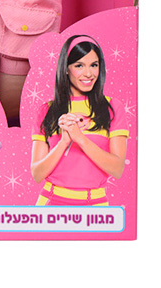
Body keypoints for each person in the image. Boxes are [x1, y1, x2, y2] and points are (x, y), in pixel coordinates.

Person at [30, 35, 128, 205]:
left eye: (94, 65)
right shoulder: (47, 110)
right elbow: (37, 174)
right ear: (66, 68)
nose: (88, 73)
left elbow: (117, 169)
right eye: (79, 65)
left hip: (95, 204)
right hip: (50, 202)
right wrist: (64, 141)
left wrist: (80, 138)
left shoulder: (112, 107)